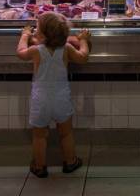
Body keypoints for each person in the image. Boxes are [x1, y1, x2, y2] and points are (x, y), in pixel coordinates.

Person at [16, 12, 91, 178]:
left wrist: (25, 35)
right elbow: (83, 57)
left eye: (37, 27)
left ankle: (39, 166)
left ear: (42, 34)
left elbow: (21, 52)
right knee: (66, 133)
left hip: (40, 100)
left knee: (39, 136)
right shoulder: (66, 49)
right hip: (61, 98)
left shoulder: (36, 50)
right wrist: (84, 39)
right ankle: (70, 162)